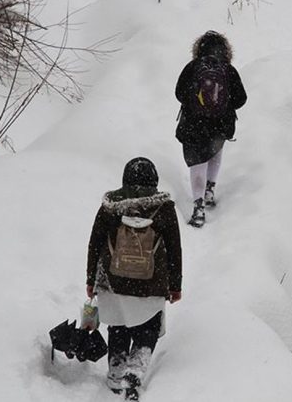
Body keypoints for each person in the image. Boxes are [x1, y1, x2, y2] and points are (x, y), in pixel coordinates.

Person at [86, 157, 182, 401]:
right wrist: (175, 285)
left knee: (118, 325)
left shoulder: (111, 206)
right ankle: (135, 371)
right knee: (147, 327)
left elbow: (95, 243)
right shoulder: (164, 208)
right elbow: (174, 248)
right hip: (151, 282)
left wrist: (90, 279)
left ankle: (116, 371)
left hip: (113, 280)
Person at [175, 30, 247, 227]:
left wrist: (196, 104)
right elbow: (241, 99)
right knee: (215, 151)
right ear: (225, 50)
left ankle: (198, 207)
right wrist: (222, 105)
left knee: (197, 163)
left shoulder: (192, 67)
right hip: (220, 125)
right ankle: (210, 190)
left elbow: (179, 93)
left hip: (193, 125)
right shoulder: (228, 70)